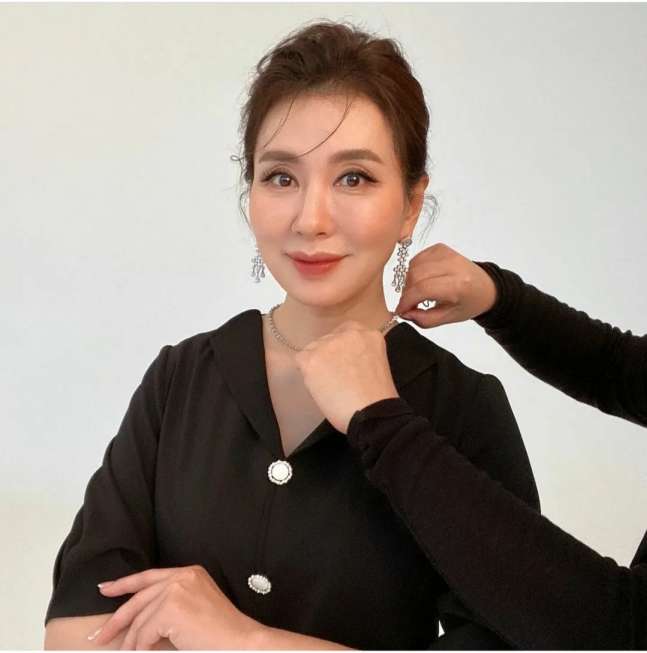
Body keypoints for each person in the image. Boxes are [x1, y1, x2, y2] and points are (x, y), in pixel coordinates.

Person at [43, 20, 538, 650]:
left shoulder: (463, 409)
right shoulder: (181, 378)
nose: (311, 219)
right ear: (249, 189)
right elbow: (77, 630)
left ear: (411, 204)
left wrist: (239, 638)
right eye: (281, 177)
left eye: (354, 177)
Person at [339, 242, 646, 649]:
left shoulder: (460, 398)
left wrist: (384, 426)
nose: (313, 222)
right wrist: (500, 298)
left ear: (410, 211)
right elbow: (618, 367)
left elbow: (619, 630)